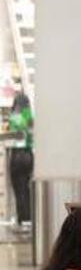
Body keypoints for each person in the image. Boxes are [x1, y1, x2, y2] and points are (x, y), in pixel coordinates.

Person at [7, 91, 33, 226]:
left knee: (18, 188)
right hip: (29, 156)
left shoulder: (15, 116)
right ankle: (28, 219)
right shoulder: (30, 116)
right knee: (27, 188)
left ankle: (22, 219)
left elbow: (12, 137)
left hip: (17, 156)